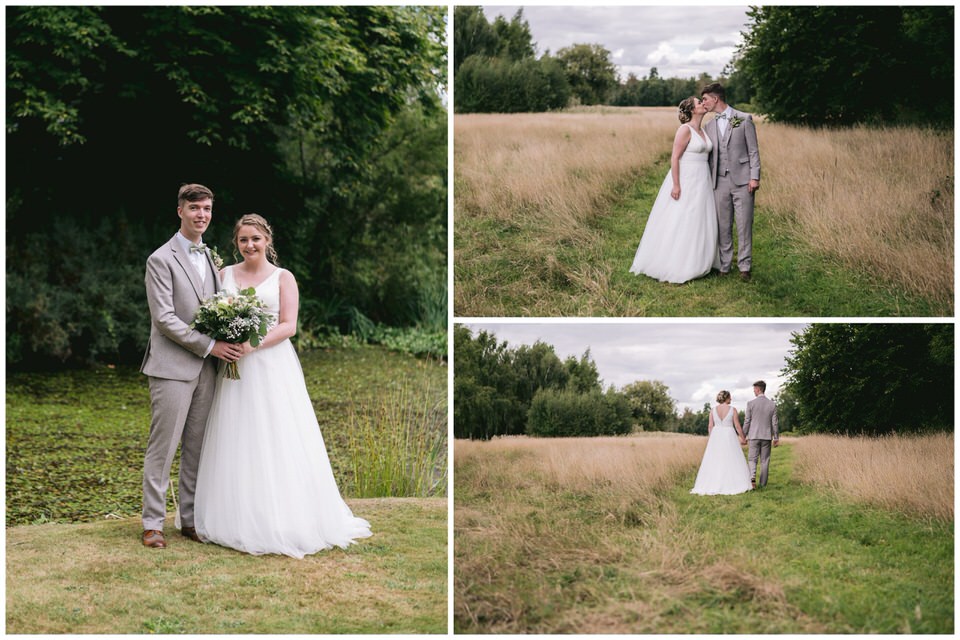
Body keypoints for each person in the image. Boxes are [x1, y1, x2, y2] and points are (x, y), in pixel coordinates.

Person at [194, 214, 372, 558]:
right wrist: (226, 337)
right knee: (237, 436)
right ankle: (235, 517)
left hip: (272, 365)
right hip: (233, 367)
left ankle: (285, 518)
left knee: (277, 435)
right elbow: (212, 313)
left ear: (267, 241)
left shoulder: (283, 277)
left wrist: (251, 344)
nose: (250, 246)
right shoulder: (223, 275)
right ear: (237, 242)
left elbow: (288, 325)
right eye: (244, 240)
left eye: (256, 239)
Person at [141, 184, 244, 549]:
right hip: (171, 367)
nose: (202, 215)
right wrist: (212, 345)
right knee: (163, 448)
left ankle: (189, 520)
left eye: (207, 209)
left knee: (198, 447)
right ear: (180, 211)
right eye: (195, 208)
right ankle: (152, 524)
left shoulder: (212, 260)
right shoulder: (160, 259)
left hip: (208, 371)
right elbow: (164, 318)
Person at [630, 96, 720, 283]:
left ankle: (699, 260)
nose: (703, 104)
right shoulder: (684, 130)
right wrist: (676, 184)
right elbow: (674, 158)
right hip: (687, 179)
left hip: (702, 179)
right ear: (692, 110)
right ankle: (678, 263)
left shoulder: (702, 130)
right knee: (683, 217)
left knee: (700, 217)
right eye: (699, 103)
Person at [700, 82, 761, 282]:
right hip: (719, 182)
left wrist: (754, 176)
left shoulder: (742, 119)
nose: (704, 103)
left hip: (743, 181)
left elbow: (753, 150)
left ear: (715, 99)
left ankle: (745, 266)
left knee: (744, 225)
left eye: (705, 99)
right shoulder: (709, 126)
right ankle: (725, 265)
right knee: (723, 225)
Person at [690, 390, 753, 496]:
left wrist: (712, 438)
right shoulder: (733, 410)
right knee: (731, 458)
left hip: (716, 435)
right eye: (730, 397)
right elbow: (737, 426)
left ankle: (713, 482)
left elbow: (710, 426)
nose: (731, 399)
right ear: (726, 398)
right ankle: (732, 483)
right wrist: (743, 438)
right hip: (729, 434)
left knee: (715, 459)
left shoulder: (713, 410)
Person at [744, 380, 779, 489]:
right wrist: (776, 437)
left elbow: (747, 421)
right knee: (765, 460)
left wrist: (743, 435)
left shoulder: (751, 404)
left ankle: (752, 479)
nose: (753, 391)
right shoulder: (772, 404)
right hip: (766, 436)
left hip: (753, 436)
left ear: (758, 389)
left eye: (754, 389)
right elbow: (775, 422)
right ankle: (763, 484)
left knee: (752, 459)